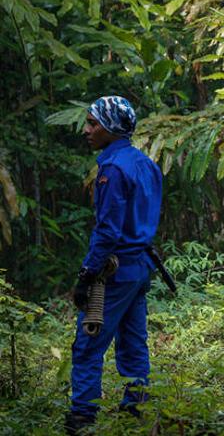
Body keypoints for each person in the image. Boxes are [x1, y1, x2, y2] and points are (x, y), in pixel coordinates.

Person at [65, 96, 162, 434]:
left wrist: (87, 275)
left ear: (111, 128)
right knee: (134, 341)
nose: (87, 130)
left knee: (88, 345)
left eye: (94, 124)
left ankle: (82, 419)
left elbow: (107, 230)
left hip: (115, 271)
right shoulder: (146, 164)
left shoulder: (112, 168)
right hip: (140, 267)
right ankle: (135, 410)